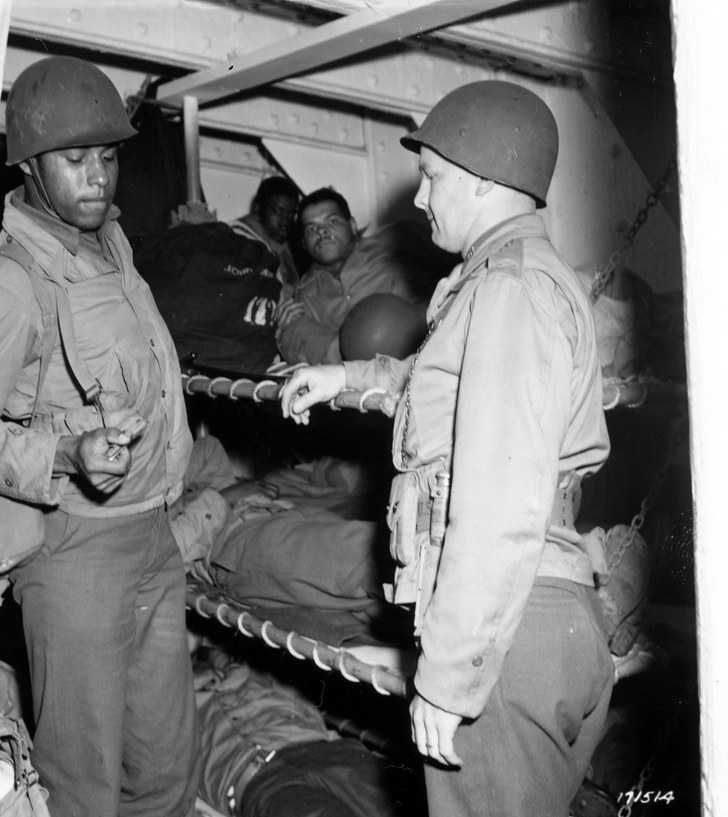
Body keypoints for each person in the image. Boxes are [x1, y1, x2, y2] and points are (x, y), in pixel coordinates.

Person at [280, 80, 613, 817]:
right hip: (536, 610)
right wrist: (347, 376)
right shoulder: (508, 279)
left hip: (506, 629)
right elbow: (450, 385)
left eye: (432, 177)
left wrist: (450, 677)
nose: (422, 197)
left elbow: (496, 504)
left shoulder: (509, 290)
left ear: (484, 180)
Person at [0, 55, 199, 817]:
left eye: (107, 156)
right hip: (77, 551)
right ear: (31, 168)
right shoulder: (9, 283)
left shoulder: (112, 248)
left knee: (165, 769)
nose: (98, 177)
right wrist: (64, 453)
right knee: (82, 779)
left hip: (152, 533)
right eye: (75, 160)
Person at [170, 435, 389, 620]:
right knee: (366, 553)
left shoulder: (156, 489)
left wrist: (168, 494)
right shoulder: (150, 531)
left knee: (371, 568)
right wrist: (223, 498)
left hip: (272, 514)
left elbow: (208, 448)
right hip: (235, 544)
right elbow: (169, 555)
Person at [192, 643, 409, 817]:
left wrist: (215, 660)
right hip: (261, 783)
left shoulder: (248, 676)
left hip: (327, 751)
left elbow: (211, 650)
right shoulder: (178, 714)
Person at [276, 187, 454, 365]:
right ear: (304, 244)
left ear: (352, 225)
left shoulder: (397, 240)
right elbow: (304, 343)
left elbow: (462, 263)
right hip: (367, 375)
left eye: (332, 221)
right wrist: (289, 326)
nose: (321, 231)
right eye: (311, 229)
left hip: (434, 353)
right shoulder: (306, 293)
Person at [229, 175, 302, 299]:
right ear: (257, 208)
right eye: (277, 211)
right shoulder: (242, 238)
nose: (285, 220)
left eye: (290, 213)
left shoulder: (284, 244)